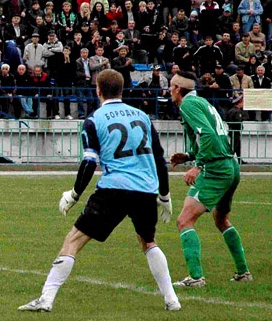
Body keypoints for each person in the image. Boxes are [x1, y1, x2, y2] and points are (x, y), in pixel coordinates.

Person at [19, 69, 179, 313]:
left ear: (98, 90)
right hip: (146, 189)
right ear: (122, 89)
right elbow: (159, 158)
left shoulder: (94, 119)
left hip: (114, 188)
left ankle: (46, 299)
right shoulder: (142, 116)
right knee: (148, 242)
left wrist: (74, 194)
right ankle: (172, 300)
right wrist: (165, 195)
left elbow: (89, 161)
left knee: (73, 240)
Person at [168, 71, 252, 287]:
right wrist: (189, 155)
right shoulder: (202, 102)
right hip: (230, 165)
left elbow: (207, 134)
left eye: (171, 87)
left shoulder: (188, 105)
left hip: (216, 168)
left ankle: (196, 278)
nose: (169, 91)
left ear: (178, 89)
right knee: (221, 219)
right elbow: (215, 135)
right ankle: (243, 273)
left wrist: (198, 165)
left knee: (184, 221)